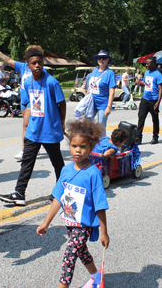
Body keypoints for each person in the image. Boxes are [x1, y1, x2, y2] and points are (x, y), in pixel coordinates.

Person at [36, 119, 109, 288]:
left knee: (69, 255)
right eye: (74, 146)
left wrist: (104, 232)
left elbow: (100, 205)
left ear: (91, 148)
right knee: (80, 251)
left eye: (83, 147)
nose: (78, 150)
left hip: (83, 225)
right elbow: (57, 198)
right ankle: (95, 278)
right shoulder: (66, 170)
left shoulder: (93, 174)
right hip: (70, 221)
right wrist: (46, 222)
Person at [0, 46, 66, 206]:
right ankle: (19, 193)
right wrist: (27, 123)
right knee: (27, 162)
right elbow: (29, 104)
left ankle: (61, 191)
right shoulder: (27, 83)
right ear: (28, 66)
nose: (37, 65)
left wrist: (62, 122)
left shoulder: (51, 82)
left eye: (39, 62)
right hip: (33, 131)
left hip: (50, 130)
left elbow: (61, 103)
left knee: (57, 163)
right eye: (33, 63)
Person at [0, 44, 43, 162]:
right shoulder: (23, 67)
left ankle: (24, 150)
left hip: (34, 100)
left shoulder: (39, 67)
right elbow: (7, 60)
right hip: (23, 100)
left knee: (25, 125)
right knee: (30, 125)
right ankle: (34, 144)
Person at [87, 50, 116, 136]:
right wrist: (85, 101)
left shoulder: (110, 73)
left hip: (103, 104)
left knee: (100, 128)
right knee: (87, 125)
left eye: (103, 58)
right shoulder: (94, 71)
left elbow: (112, 92)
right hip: (91, 103)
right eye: (99, 58)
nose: (101, 60)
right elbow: (89, 87)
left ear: (107, 60)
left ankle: (102, 147)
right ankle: (89, 146)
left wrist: (109, 107)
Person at [135, 56, 162, 145]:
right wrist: (140, 84)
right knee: (141, 118)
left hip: (153, 100)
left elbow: (160, 89)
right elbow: (146, 84)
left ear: (153, 64)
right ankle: (138, 138)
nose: (146, 65)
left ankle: (155, 137)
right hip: (145, 99)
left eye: (148, 63)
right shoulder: (146, 73)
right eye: (146, 63)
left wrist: (158, 102)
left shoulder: (158, 74)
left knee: (155, 119)